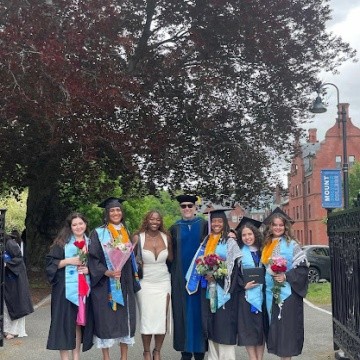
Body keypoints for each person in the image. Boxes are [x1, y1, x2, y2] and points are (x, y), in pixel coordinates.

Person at [187, 208, 242, 360]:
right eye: (214, 222)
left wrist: (217, 277)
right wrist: (206, 273)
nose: (216, 224)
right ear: (210, 224)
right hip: (208, 290)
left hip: (225, 291)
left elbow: (235, 268)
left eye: (219, 221)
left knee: (223, 326)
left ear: (224, 223)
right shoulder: (206, 241)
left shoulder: (230, 242)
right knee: (210, 324)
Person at [88, 197, 137, 360]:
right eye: (112, 210)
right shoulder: (98, 233)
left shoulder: (126, 231)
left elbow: (131, 257)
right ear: (107, 213)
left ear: (122, 213)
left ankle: (124, 357)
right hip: (105, 284)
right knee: (106, 320)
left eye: (118, 210)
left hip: (124, 282)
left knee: (125, 319)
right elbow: (93, 258)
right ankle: (106, 357)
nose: (116, 213)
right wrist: (107, 272)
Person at [261, 211, 309, 360]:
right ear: (270, 227)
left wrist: (286, 276)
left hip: (287, 295)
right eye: (274, 225)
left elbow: (302, 269)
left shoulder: (292, 245)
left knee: (286, 333)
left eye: (281, 225)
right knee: (277, 331)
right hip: (270, 294)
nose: (278, 228)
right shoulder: (266, 244)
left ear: (286, 227)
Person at [46, 212, 93, 360]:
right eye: (74, 225)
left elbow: (98, 265)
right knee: (64, 324)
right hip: (64, 289)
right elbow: (50, 264)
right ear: (70, 227)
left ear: (85, 225)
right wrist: (68, 261)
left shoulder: (91, 243)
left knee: (78, 324)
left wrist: (89, 269)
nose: (78, 227)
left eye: (81, 223)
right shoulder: (62, 243)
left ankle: (76, 357)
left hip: (83, 290)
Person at [169, 194, 208, 360]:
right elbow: (169, 255)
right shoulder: (174, 228)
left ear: (195, 208)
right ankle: (185, 351)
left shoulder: (204, 225)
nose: (187, 209)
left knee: (200, 313)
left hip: (200, 278)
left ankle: (199, 351)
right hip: (180, 278)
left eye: (190, 206)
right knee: (182, 313)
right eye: (183, 206)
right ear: (180, 208)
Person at [133, 210, 173, 360]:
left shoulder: (166, 237)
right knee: (147, 318)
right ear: (147, 220)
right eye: (151, 219)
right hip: (145, 282)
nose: (154, 222)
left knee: (162, 317)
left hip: (163, 281)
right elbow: (130, 260)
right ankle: (146, 352)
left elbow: (171, 259)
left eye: (157, 220)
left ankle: (157, 351)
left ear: (160, 221)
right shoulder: (138, 238)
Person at [236, 217, 265, 360]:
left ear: (255, 234)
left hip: (263, 296)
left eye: (250, 234)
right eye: (244, 235)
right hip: (246, 297)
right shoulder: (238, 253)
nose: (247, 237)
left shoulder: (264, 250)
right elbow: (234, 274)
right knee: (249, 330)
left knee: (261, 329)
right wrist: (243, 285)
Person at [3, 232, 34, 339]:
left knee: (15, 302)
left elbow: (19, 258)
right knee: (6, 305)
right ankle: (6, 329)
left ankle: (14, 330)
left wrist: (7, 263)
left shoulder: (9, 243)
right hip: (6, 278)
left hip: (15, 277)